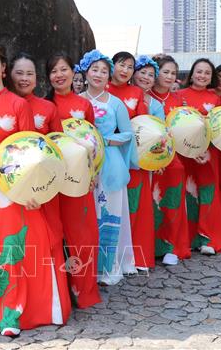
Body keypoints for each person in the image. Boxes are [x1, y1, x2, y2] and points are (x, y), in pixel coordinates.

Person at [0, 43, 70, 336]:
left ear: (3, 68)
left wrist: (31, 190)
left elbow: (30, 150)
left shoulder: (18, 105)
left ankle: (10, 316)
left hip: (12, 190)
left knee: (11, 252)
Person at [8, 52, 68, 299]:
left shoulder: (48, 107)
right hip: (12, 187)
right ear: (8, 74)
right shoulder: (5, 105)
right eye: (19, 73)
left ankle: (53, 297)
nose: (24, 78)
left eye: (29, 73)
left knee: (50, 236)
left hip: (45, 187)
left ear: (37, 78)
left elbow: (59, 146)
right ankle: (21, 297)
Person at [46, 52, 101, 308]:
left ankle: (84, 289)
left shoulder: (84, 105)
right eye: (54, 71)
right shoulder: (43, 105)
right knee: (56, 234)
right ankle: (59, 291)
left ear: (73, 72)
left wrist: (92, 173)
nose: (59, 75)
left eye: (64, 69)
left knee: (82, 235)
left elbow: (94, 143)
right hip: (52, 181)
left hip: (79, 180)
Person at [80, 50, 137, 285]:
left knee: (109, 212)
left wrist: (104, 140)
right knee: (86, 214)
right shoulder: (77, 101)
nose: (99, 74)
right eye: (95, 69)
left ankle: (108, 266)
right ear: (86, 72)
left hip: (109, 163)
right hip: (82, 163)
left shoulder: (116, 103)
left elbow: (127, 134)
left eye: (104, 71)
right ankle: (85, 267)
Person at [108, 52, 153, 272]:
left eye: (129, 67)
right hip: (107, 156)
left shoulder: (137, 93)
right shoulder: (102, 89)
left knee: (135, 207)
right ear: (112, 65)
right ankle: (109, 258)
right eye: (121, 65)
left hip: (133, 156)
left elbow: (144, 126)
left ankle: (134, 257)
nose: (125, 70)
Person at [179, 58, 221, 255]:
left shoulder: (216, 99)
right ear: (191, 74)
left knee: (207, 193)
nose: (202, 76)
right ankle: (188, 237)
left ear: (211, 77)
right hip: (184, 152)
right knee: (186, 193)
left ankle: (207, 237)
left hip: (207, 153)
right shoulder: (179, 96)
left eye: (207, 73)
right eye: (199, 71)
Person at [148, 54, 191, 266]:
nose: (169, 76)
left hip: (174, 160)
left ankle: (172, 246)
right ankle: (151, 246)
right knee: (151, 203)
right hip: (150, 160)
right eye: (165, 71)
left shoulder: (179, 101)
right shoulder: (145, 97)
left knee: (172, 202)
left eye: (173, 73)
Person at [132, 55, 165, 119]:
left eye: (151, 75)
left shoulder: (157, 105)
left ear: (154, 82)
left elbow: (160, 126)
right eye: (143, 72)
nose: (146, 77)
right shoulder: (122, 95)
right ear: (133, 74)